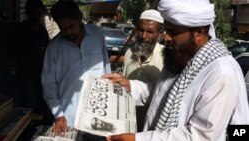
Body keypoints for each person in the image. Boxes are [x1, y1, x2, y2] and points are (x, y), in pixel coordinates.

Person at [103, 0, 249, 141]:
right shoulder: (182, 55)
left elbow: (200, 136)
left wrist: (138, 139)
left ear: (199, 32)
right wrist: (129, 85)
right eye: (166, 30)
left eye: (173, 32)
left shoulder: (220, 73)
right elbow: (161, 91)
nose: (166, 37)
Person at [41, 1, 111, 135]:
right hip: (68, 118)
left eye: (71, 26)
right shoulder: (54, 48)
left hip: (98, 117)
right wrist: (59, 114)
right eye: (63, 29)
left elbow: (106, 71)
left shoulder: (97, 36)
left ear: (79, 18)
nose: (68, 32)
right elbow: (48, 85)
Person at [14, 0, 49, 114]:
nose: (38, 16)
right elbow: (15, 50)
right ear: (28, 13)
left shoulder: (42, 31)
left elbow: (48, 50)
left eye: (39, 13)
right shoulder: (21, 29)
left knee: (42, 101)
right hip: (26, 73)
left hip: (41, 73)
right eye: (35, 13)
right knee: (30, 104)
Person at [123, 9, 164, 83]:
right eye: (141, 30)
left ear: (159, 34)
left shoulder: (164, 57)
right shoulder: (129, 53)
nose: (143, 36)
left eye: (149, 32)